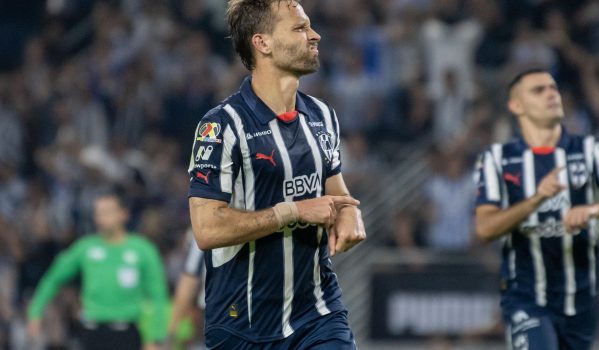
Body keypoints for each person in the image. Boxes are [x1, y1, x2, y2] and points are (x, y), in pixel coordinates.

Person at [187, 1, 365, 349]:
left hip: (318, 314)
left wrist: (349, 213)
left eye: (309, 26)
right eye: (299, 28)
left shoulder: (322, 116)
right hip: (241, 325)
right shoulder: (221, 126)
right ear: (262, 43)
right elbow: (207, 229)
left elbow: (336, 192)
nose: (315, 35)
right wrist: (294, 211)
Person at [473, 68, 599, 350]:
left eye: (553, 88)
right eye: (538, 90)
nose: (551, 94)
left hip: (580, 302)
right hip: (526, 297)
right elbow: (486, 227)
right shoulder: (497, 159)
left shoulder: (592, 149)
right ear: (516, 105)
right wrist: (535, 199)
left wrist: (593, 209)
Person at [27, 192, 169, 350]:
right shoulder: (85, 248)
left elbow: (159, 295)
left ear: (124, 214)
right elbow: (53, 278)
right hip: (91, 331)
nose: (102, 218)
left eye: (108, 212)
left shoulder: (143, 250)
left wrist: (156, 337)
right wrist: (36, 311)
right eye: (98, 213)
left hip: (126, 332)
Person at [167, 233, 206, 348]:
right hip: (246, 308)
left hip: (218, 311)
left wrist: (172, 329)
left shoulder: (205, 232)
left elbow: (189, 279)